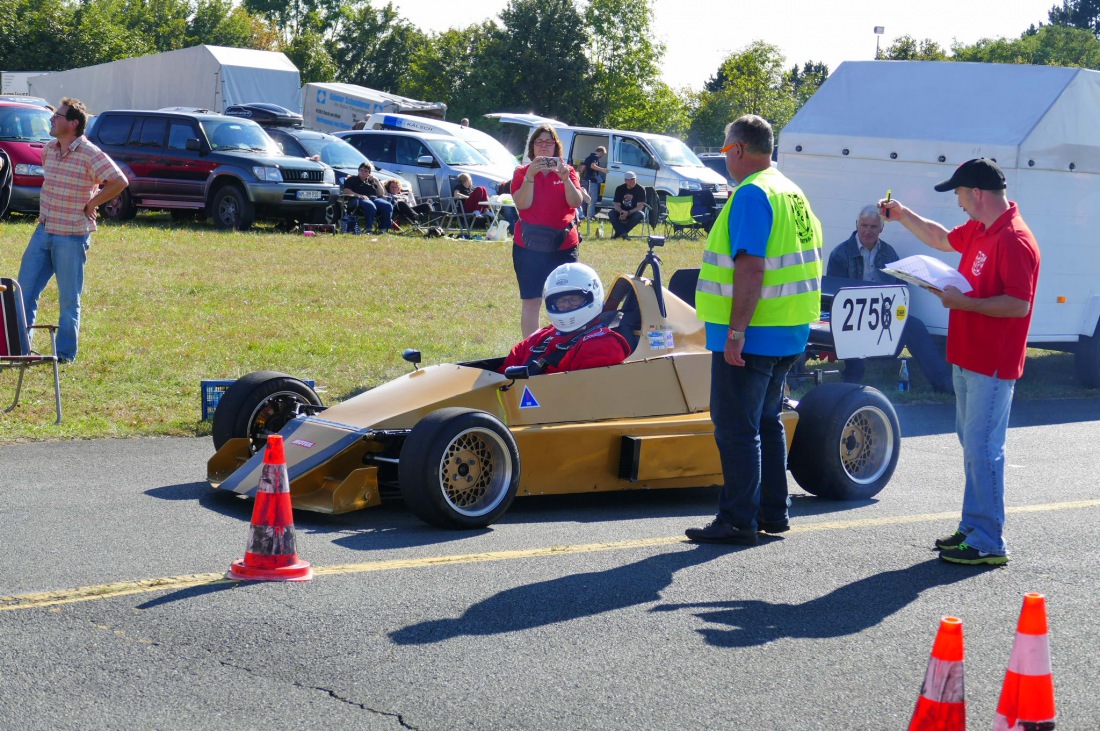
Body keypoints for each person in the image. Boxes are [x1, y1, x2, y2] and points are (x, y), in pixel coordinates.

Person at [880, 158, 1040, 566]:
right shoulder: (984, 229)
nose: (959, 204)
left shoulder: (1014, 239)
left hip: (992, 361)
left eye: (960, 195)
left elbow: (1019, 305)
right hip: (969, 357)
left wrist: (965, 302)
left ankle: (988, 540)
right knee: (973, 447)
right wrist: (902, 215)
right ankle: (972, 528)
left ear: (978, 194)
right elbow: (940, 238)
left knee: (983, 449)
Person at [686, 114, 823, 546]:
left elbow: (751, 266)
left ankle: (737, 519)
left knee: (736, 427)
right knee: (766, 421)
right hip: (789, 328)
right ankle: (773, 512)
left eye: (726, 150)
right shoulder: (791, 191)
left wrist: (735, 332)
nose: (726, 158)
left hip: (755, 332)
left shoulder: (751, 193)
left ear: (740, 150)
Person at [17, 98, 128, 364]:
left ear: (73, 123)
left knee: (68, 300)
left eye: (58, 115)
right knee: (23, 292)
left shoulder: (90, 154)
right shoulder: (49, 150)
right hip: (44, 230)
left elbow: (119, 181)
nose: (52, 119)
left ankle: (65, 354)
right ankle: (21, 350)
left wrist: (93, 202)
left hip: (72, 235)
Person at [826, 204, 953, 393]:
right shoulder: (840, 253)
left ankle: (943, 384)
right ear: (857, 225)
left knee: (914, 326)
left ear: (881, 229)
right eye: (864, 225)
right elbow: (834, 295)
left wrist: (894, 315)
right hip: (853, 319)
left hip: (882, 316)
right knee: (856, 371)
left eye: (873, 227)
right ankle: (850, 382)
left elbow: (901, 288)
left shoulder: (888, 253)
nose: (868, 231)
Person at [510, 124, 583, 337]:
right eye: (539, 142)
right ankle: (531, 350)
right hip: (528, 246)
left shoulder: (568, 171)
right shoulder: (522, 172)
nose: (543, 147)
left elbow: (575, 201)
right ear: (532, 147)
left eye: (548, 143)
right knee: (532, 300)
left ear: (555, 147)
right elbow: (522, 204)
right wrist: (530, 176)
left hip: (564, 245)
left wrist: (566, 178)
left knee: (568, 299)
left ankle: (567, 345)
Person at [500, 263, 630, 374]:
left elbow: (588, 395)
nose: (567, 305)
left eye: (574, 299)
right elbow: (502, 376)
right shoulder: (540, 337)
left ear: (591, 297)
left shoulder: (603, 343)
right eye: (560, 301)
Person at [342, 162, 395, 232]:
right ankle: (369, 228)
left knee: (387, 205)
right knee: (370, 205)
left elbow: (381, 194)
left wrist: (377, 181)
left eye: (366, 171)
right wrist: (358, 195)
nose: (363, 172)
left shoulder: (371, 181)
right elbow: (346, 190)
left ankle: (384, 229)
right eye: (361, 170)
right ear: (358, 170)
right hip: (358, 199)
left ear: (369, 173)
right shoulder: (352, 179)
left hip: (373, 199)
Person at [610, 171, 646, 239]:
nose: (632, 182)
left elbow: (640, 206)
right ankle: (623, 234)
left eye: (633, 180)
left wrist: (628, 213)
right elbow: (616, 204)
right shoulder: (619, 188)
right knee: (611, 213)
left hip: (633, 212)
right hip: (622, 211)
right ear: (625, 180)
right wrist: (621, 212)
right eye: (630, 180)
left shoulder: (640, 190)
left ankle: (619, 234)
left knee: (640, 214)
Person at [579, 146, 607, 220]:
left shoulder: (588, 157)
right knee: (593, 199)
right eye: (603, 154)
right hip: (593, 180)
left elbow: (583, 168)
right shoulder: (595, 157)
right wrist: (603, 170)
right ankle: (590, 216)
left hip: (586, 180)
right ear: (600, 152)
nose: (602, 156)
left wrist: (581, 175)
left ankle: (583, 214)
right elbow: (593, 166)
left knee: (585, 198)